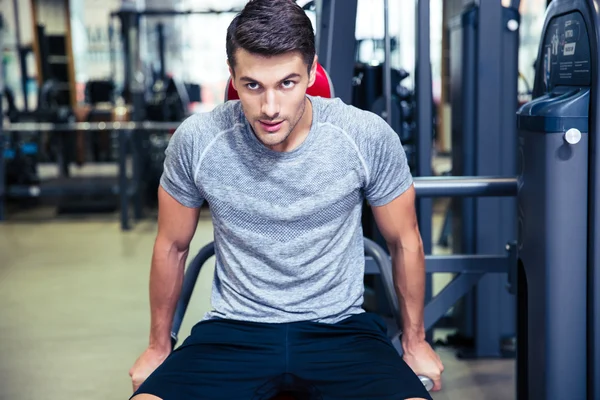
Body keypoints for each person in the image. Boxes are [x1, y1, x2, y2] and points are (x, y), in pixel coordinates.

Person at [128, 0, 444, 399]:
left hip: (341, 331)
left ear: (312, 72)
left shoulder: (365, 136)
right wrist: (158, 347)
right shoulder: (197, 141)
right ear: (233, 76)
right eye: (253, 85)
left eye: (287, 83)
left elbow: (405, 240)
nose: (270, 108)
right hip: (234, 332)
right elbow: (172, 245)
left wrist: (415, 343)